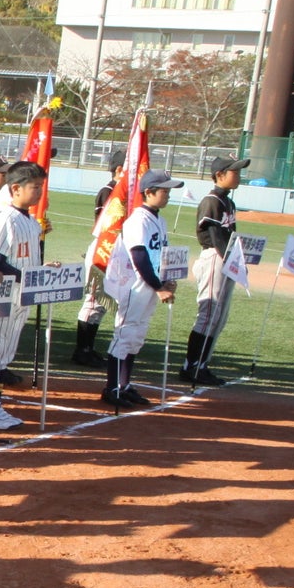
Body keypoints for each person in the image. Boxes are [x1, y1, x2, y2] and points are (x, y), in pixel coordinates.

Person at [0, 161, 47, 431]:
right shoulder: (5, 218)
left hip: (21, 295)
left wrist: (42, 272)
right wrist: (24, 276)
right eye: (34, 187)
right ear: (15, 188)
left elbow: (27, 260)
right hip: (3, 294)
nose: (39, 192)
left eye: (40, 186)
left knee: (4, 353)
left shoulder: (30, 221)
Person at [103, 171, 180, 409]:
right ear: (149, 192)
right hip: (133, 284)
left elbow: (160, 256)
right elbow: (139, 256)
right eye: (164, 191)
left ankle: (124, 385)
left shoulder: (159, 219)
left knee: (136, 336)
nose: (168, 196)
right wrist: (159, 286)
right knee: (125, 335)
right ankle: (112, 388)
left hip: (149, 283)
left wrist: (166, 280)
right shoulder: (138, 220)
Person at [185, 155, 247, 385]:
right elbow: (216, 237)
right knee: (209, 313)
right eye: (235, 172)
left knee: (219, 317)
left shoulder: (227, 202)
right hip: (215, 257)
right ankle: (191, 366)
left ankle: (201, 364)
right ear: (220, 175)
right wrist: (231, 261)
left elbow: (231, 236)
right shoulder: (212, 200)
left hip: (226, 259)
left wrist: (237, 261)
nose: (238, 176)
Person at [72, 154, 128, 365]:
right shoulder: (109, 191)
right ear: (119, 169)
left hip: (114, 251)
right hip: (104, 249)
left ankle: (88, 347)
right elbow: (107, 227)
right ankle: (82, 350)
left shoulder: (123, 192)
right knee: (94, 301)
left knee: (101, 304)